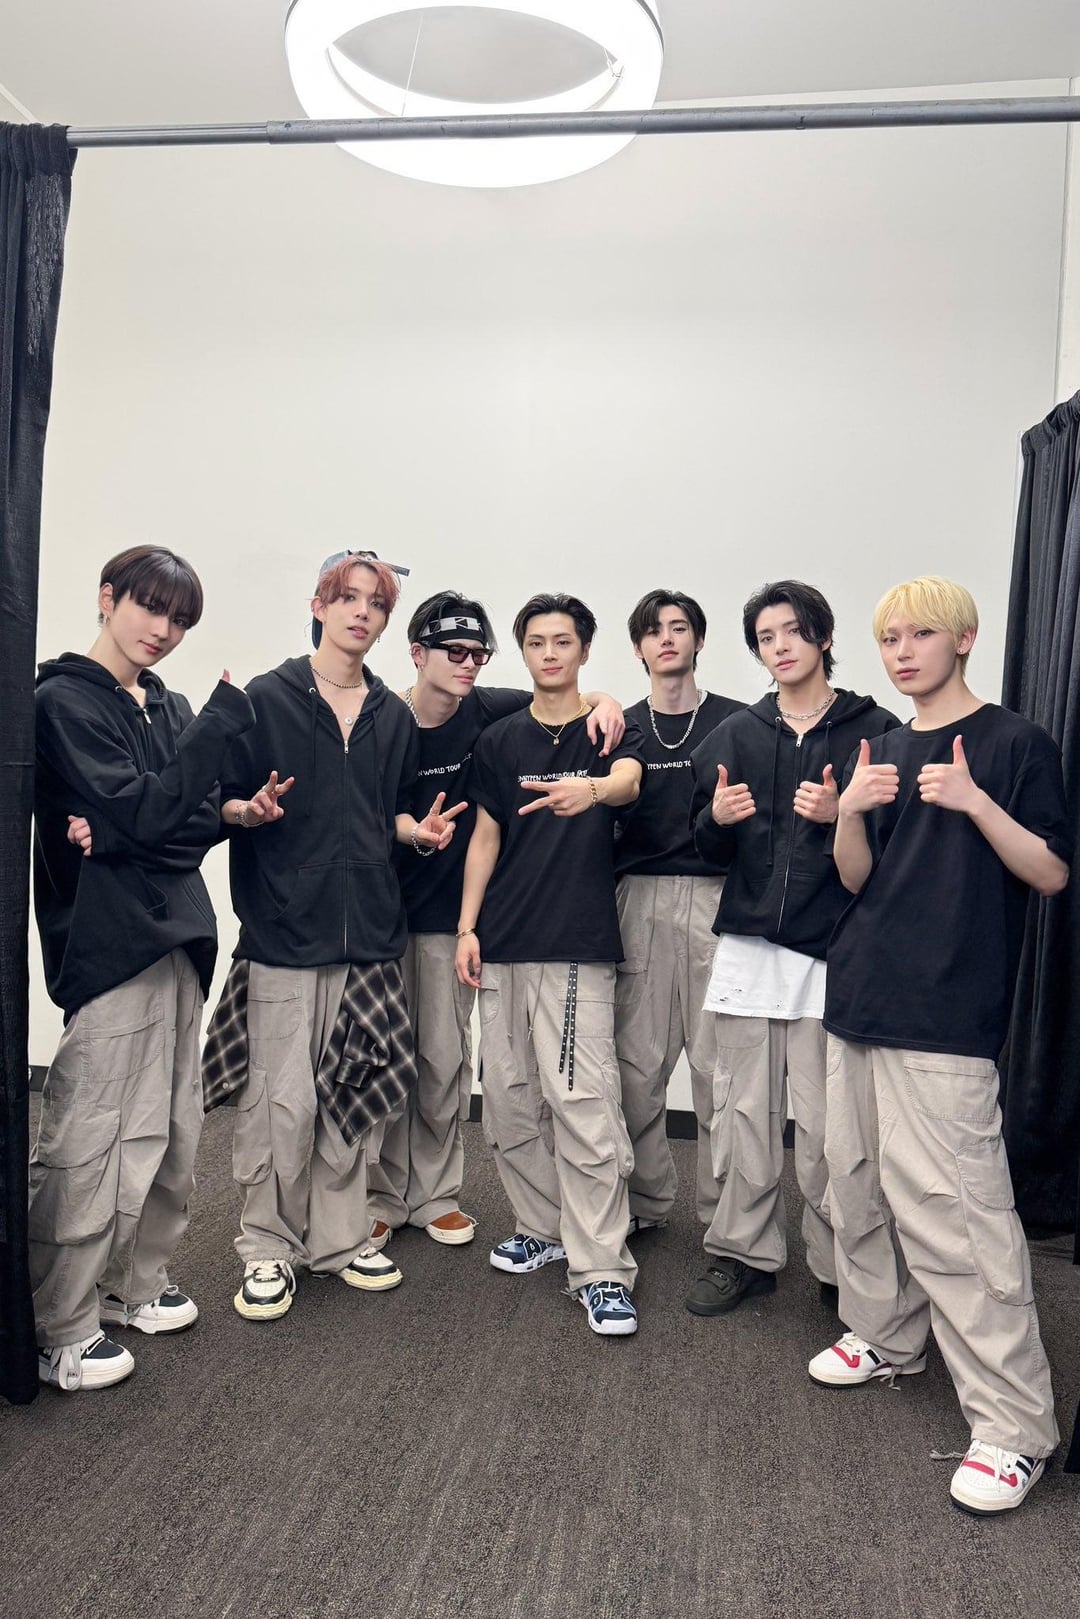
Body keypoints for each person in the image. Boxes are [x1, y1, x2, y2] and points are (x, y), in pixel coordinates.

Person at [809, 575, 1070, 1517]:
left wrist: (973, 801)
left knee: (957, 1216)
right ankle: (886, 1334)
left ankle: (1014, 1426)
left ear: (963, 639)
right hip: (860, 993)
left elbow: (1050, 870)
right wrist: (848, 811)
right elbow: (856, 879)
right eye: (890, 638)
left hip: (946, 1009)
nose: (903, 651)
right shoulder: (878, 746)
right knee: (854, 1181)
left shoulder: (1013, 742)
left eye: (921, 634)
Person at [203, 552, 462, 1322]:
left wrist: (416, 832)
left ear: (385, 621)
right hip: (284, 935)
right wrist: (247, 812)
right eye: (346, 597)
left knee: (354, 1095)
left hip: (370, 937)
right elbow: (217, 800)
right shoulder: (267, 698)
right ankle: (267, 1244)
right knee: (279, 1103)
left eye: (375, 604)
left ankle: (341, 1239)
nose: (360, 613)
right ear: (318, 605)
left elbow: (388, 812)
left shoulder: (392, 715)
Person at [31, 544, 255, 1391]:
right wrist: (156, 805)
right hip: (109, 943)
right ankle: (60, 1323)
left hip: (180, 937)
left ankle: (134, 1285)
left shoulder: (169, 705)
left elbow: (181, 820)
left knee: (170, 1132)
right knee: (93, 1137)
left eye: (179, 618)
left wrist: (158, 820)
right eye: (150, 607)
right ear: (108, 596)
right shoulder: (63, 701)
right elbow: (154, 809)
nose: (162, 630)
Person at [368, 592, 624, 1251]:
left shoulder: (489, 709)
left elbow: (563, 697)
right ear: (417, 653)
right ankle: (380, 1197)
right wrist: (414, 832)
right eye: (453, 652)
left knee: (444, 1063)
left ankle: (434, 1194)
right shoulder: (383, 718)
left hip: (456, 920)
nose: (467, 664)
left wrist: (606, 701)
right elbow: (366, 807)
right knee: (384, 1062)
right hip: (384, 913)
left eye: (477, 653)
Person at [686, 581, 900, 1317]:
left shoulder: (874, 729)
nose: (780, 646)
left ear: (824, 636)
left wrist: (845, 814)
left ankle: (840, 1264)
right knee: (742, 1113)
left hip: (830, 952)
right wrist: (715, 819)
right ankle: (742, 1253)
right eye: (766, 637)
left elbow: (896, 847)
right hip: (749, 949)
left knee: (828, 1127)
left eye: (793, 631)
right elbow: (704, 844)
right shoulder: (738, 733)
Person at [454, 593, 644, 1336]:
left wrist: (589, 790)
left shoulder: (608, 728)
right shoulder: (500, 739)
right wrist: (467, 927)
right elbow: (485, 838)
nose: (550, 653)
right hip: (503, 941)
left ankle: (602, 1270)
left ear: (584, 650)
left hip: (574, 944)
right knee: (508, 1100)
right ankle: (544, 1226)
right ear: (524, 652)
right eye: (536, 642)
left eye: (563, 641)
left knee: (583, 1105)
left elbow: (629, 780)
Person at [613, 590, 742, 1235]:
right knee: (637, 1068)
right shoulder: (618, 727)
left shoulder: (738, 722)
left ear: (698, 640)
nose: (667, 639)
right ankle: (643, 1204)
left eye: (679, 627)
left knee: (720, 1072)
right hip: (639, 899)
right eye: (654, 631)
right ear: (639, 647)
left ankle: (729, 1224)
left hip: (718, 901)